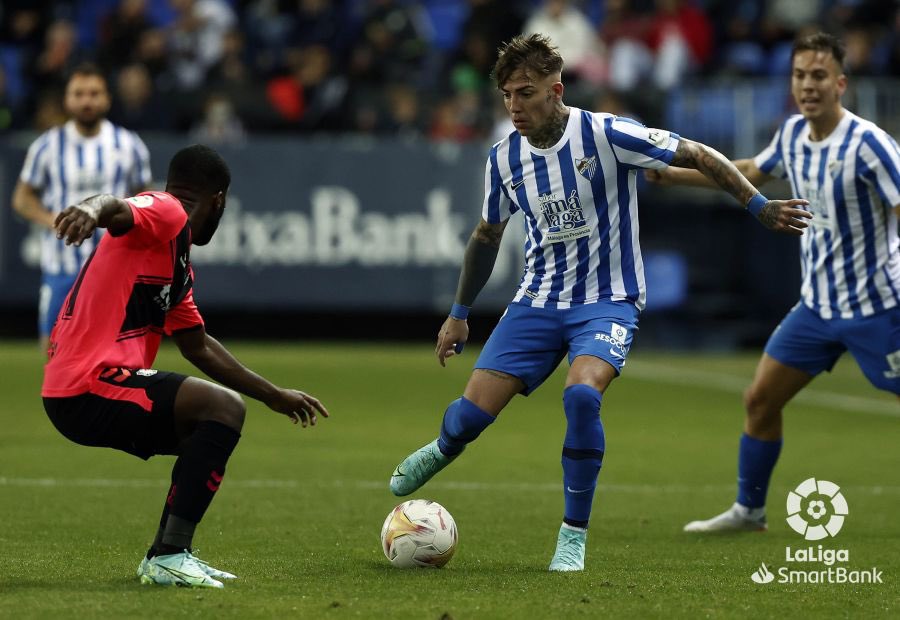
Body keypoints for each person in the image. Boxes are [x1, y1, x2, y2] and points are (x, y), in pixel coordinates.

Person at [388, 33, 810, 572]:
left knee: (583, 397)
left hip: (608, 301)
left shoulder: (608, 133)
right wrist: (459, 314)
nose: (515, 106)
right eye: (507, 96)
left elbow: (699, 155)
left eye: (526, 93)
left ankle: (573, 534)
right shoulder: (504, 159)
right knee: (469, 419)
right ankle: (444, 447)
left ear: (556, 90)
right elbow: (487, 235)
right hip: (538, 301)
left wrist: (759, 207)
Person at [645, 32, 900, 533]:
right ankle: (750, 511)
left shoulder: (869, 144)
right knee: (760, 400)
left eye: (819, 75)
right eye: (800, 75)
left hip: (878, 308)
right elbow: (747, 173)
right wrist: (675, 175)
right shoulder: (791, 135)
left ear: (841, 84)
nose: (808, 85)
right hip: (816, 309)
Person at [43, 144, 329, 588]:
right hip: (89, 382)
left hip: (87, 390)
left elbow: (198, 346)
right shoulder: (167, 209)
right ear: (219, 200)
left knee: (211, 428)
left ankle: (166, 554)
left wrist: (274, 395)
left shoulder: (175, 261)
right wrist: (89, 208)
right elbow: (117, 208)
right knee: (222, 409)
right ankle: (170, 555)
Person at [13, 62, 152, 353]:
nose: (86, 101)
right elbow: (22, 198)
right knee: (53, 349)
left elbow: (146, 199)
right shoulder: (47, 146)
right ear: (67, 99)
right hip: (61, 263)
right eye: (79, 94)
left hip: (114, 264)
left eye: (94, 93)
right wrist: (51, 219)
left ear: (107, 98)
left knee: (115, 352)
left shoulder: (129, 145)